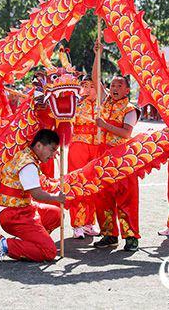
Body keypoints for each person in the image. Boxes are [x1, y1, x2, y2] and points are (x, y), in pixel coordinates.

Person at [0, 129, 65, 262]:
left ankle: (30, 243)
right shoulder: (28, 163)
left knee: (57, 214)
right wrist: (56, 198)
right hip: (14, 214)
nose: (53, 155)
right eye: (52, 150)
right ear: (39, 145)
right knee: (49, 252)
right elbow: (37, 194)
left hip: (23, 208)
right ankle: (5, 245)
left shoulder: (27, 155)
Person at [92, 42, 141, 251]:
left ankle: (131, 237)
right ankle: (108, 234)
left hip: (122, 156)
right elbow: (96, 79)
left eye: (119, 86)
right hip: (102, 153)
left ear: (127, 90)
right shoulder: (106, 103)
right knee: (102, 195)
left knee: (126, 196)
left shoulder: (130, 109)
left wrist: (105, 125)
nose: (114, 88)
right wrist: (97, 55)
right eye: (112, 85)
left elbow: (126, 133)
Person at [67, 77, 100, 239]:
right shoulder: (76, 103)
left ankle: (89, 222)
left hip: (97, 147)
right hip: (79, 145)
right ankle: (77, 224)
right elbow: (64, 120)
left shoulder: (103, 105)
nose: (88, 89)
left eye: (92, 86)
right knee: (78, 183)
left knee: (93, 185)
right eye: (85, 86)